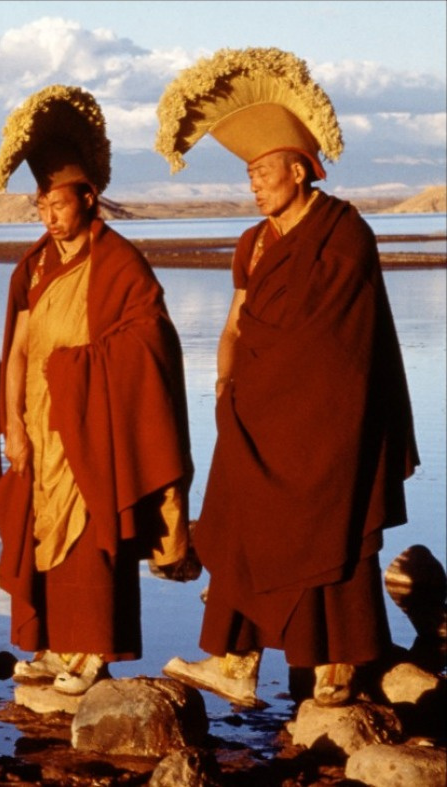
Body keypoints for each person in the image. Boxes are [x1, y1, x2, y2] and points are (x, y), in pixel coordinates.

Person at [154, 48, 419, 707]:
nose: (255, 184)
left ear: (299, 170)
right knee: (238, 523)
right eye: (249, 174)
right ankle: (236, 662)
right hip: (253, 414)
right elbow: (239, 321)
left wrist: (296, 396)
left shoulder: (343, 233)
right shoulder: (252, 242)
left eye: (264, 172)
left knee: (331, 524)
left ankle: (337, 668)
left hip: (325, 417)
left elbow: (340, 341)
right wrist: (223, 388)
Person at [0, 86, 195, 694]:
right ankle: (53, 646)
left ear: (89, 197)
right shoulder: (34, 267)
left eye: (59, 203)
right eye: (40, 205)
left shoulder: (120, 263)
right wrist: (15, 424)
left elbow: (153, 339)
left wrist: (83, 369)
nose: (49, 216)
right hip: (40, 424)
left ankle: (92, 652)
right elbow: (19, 349)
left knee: (90, 535)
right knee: (37, 533)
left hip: (93, 420)